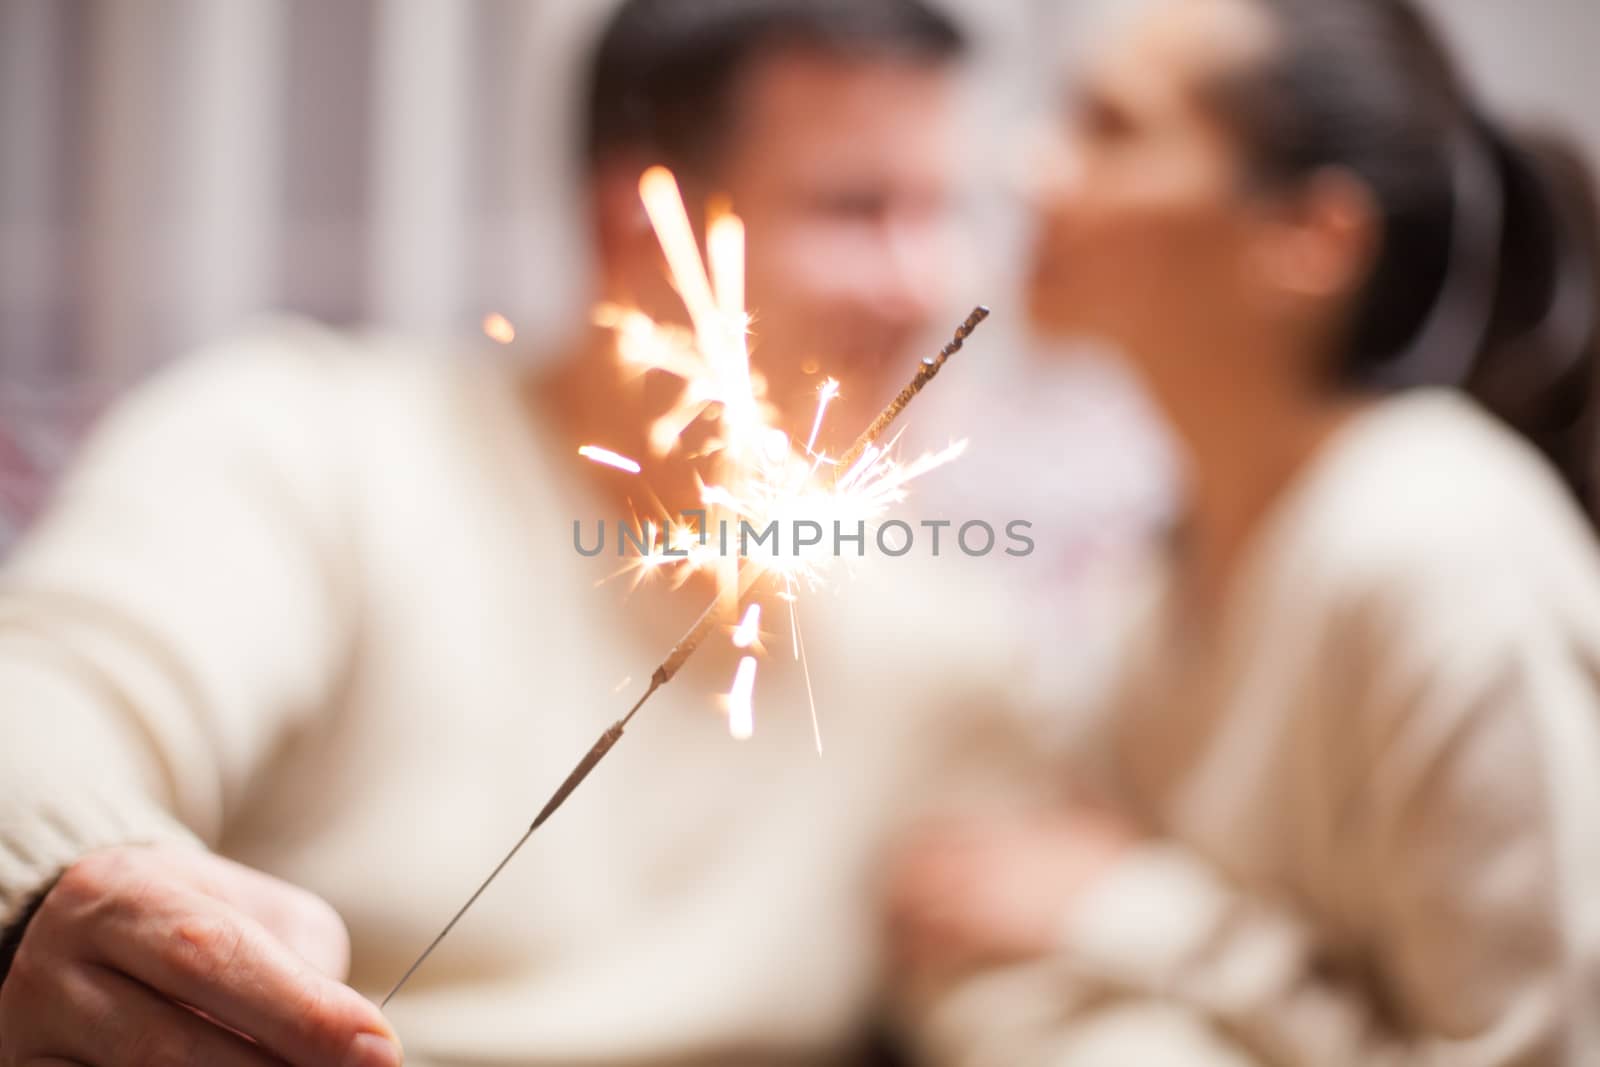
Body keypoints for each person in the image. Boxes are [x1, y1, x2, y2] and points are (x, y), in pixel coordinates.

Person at [0, 2, 1035, 1065]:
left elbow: (1034, 1003)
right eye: (855, 210)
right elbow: (42, 708)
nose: (928, 286)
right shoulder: (306, 452)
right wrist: (68, 889)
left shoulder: (939, 645)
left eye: (942, 212)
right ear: (644, 231)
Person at [887, 0, 1600, 1063]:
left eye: (1110, 128)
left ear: (1312, 237)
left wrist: (1138, 917)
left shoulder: (1435, 549)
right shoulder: (1162, 578)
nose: (1026, 164)